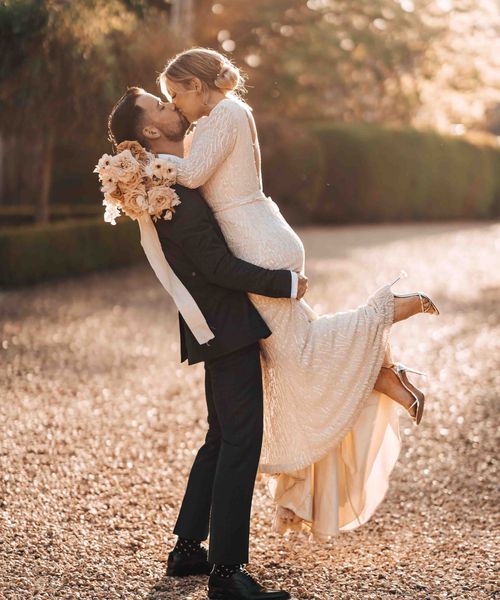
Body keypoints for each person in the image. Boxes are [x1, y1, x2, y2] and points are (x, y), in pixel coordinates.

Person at [153, 48, 440, 545]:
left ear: (199, 86)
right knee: (295, 353)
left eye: (177, 94)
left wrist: (141, 164)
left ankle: (385, 312)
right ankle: (381, 375)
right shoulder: (224, 116)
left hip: (257, 247)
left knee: (300, 354)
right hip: (263, 237)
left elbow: (193, 175)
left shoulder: (225, 113)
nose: (176, 106)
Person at [108, 88, 307, 599]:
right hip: (223, 325)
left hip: (215, 324)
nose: (173, 106)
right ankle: (227, 574)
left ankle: (187, 550)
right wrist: (283, 283)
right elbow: (215, 266)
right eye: (161, 105)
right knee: (241, 440)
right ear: (150, 131)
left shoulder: (172, 181)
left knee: (222, 437)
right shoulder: (170, 193)